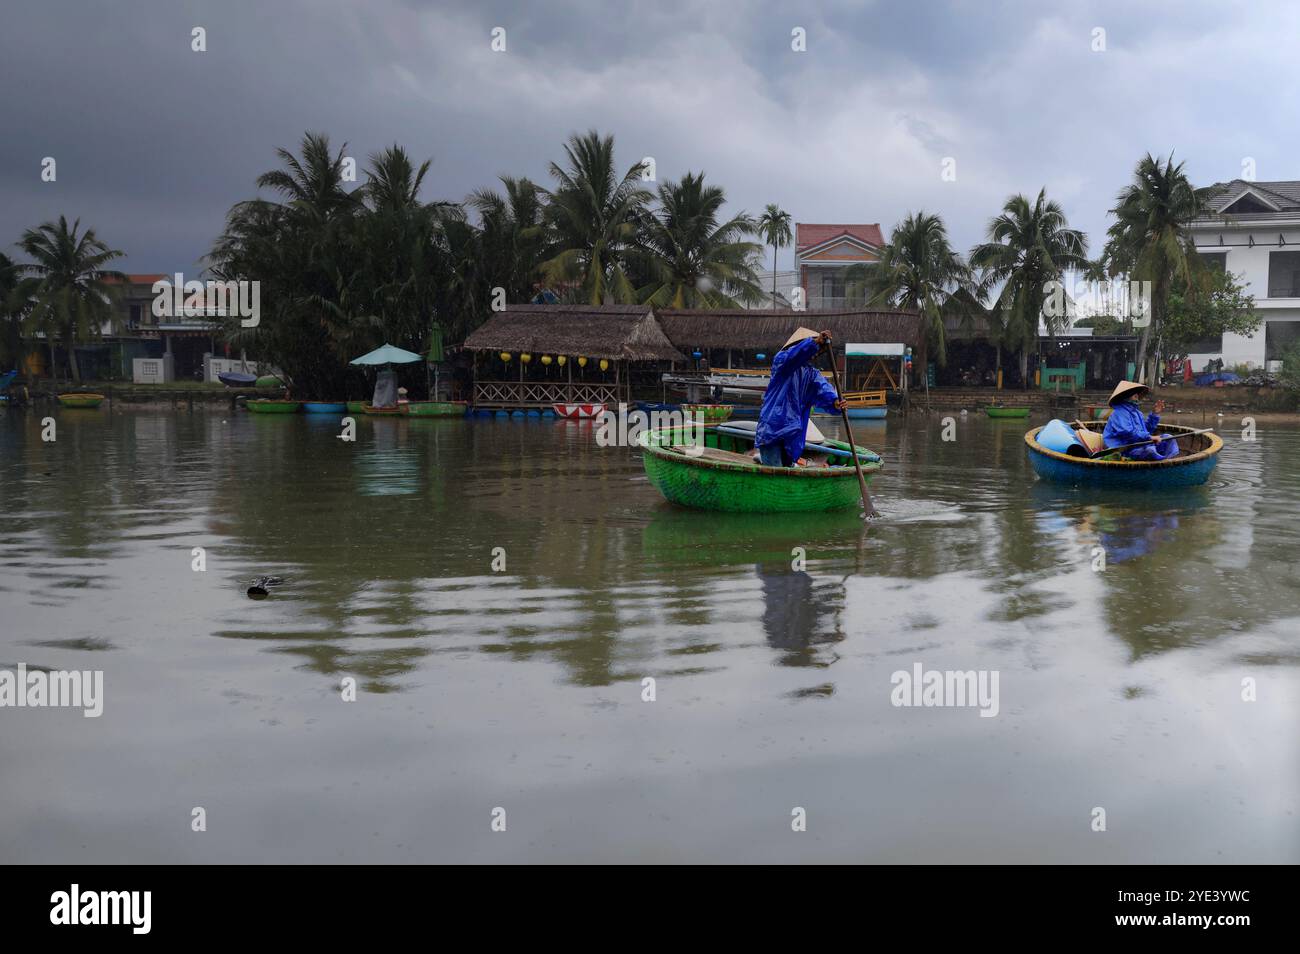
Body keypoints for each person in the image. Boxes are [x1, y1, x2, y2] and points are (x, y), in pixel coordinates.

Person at [754, 327, 846, 467]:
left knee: (786, 473)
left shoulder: (811, 373)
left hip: (792, 434)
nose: (815, 354)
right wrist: (813, 343)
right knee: (775, 473)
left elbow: (823, 389)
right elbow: (794, 357)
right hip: (772, 428)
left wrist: (835, 402)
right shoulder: (782, 361)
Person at [1101, 380, 1178, 460]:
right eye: (1133, 393)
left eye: (1137, 393)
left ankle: (1165, 462)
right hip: (1123, 449)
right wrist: (1150, 437)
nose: (1137, 395)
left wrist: (1155, 414)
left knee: (1168, 438)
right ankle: (1157, 465)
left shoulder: (1137, 413)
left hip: (1139, 445)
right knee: (1150, 450)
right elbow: (1127, 433)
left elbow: (1146, 430)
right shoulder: (1119, 413)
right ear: (1125, 396)